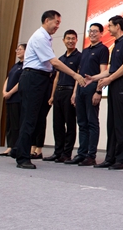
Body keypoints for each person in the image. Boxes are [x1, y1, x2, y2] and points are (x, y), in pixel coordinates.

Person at [13, 10, 85, 169]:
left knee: (36, 118)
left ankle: (19, 149)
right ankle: (22, 157)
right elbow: (54, 62)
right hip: (33, 79)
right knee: (30, 118)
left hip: (41, 79)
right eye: (56, 22)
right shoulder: (40, 37)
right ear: (47, 20)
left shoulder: (46, 38)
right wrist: (75, 75)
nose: (58, 26)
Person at [91, 15, 123, 169]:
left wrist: (109, 79)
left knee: (121, 123)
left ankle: (121, 160)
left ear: (118, 26)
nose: (108, 28)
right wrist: (94, 78)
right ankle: (110, 157)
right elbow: (111, 69)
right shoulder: (116, 44)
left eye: (110, 25)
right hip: (115, 84)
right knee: (112, 122)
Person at [65, 23, 109, 167]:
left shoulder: (103, 49)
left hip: (92, 89)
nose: (92, 33)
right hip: (80, 89)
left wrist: (98, 91)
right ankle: (81, 153)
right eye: (90, 31)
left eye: (95, 31)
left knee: (92, 122)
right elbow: (79, 73)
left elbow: (103, 72)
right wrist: (74, 92)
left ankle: (91, 155)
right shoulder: (84, 51)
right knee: (82, 122)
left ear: (101, 33)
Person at [43, 30, 80, 162]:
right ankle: (57, 152)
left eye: (73, 38)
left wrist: (75, 93)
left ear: (76, 40)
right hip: (58, 92)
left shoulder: (79, 57)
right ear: (63, 40)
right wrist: (52, 96)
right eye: (68, 38)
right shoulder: (61, 59)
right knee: (57, 124)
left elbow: (78, 77)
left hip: (69, 92)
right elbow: (57, 78)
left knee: (70, 123)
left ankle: (66, 153)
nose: (70, 41)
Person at [0, 44, 25, 157]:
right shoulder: (15, 65)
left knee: (16, 124)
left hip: (17, 98)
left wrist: (10, 93)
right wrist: (4, 91)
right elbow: (8, 78)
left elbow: (22, 82)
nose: (18, 51)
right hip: (9, 98)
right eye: (17, 49)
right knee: (9, 123)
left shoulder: (26, 65)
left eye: (20, 49)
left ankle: (15, 146)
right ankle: (10, 146)